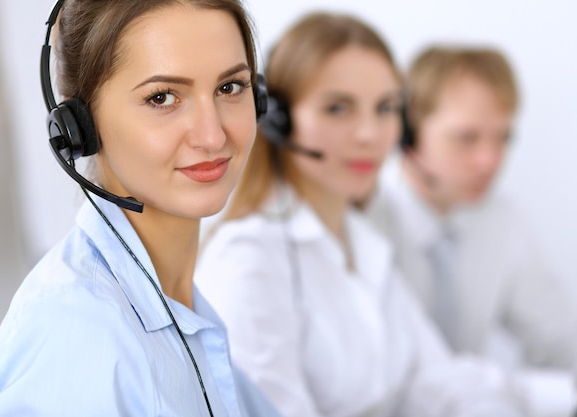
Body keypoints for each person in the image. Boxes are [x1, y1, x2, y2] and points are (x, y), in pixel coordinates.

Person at [195, 11, 571, 417]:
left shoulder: (364, 243)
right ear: (277, 119)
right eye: (339, 108)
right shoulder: (250, 259)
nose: (369, 134)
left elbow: (437, 382)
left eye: (385, 108)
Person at [0, 1, 282, 416]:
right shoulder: (75, 338)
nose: (212, 135)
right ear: (81, 125)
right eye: (162, 97)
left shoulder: (182, 312)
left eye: (230, 87)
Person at [367, 45, 577, 409]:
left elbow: (561, 341)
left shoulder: (503, 220)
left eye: (503, 138)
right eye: (467, 138)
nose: (490, 161)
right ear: (406, 132)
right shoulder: (364, 218)